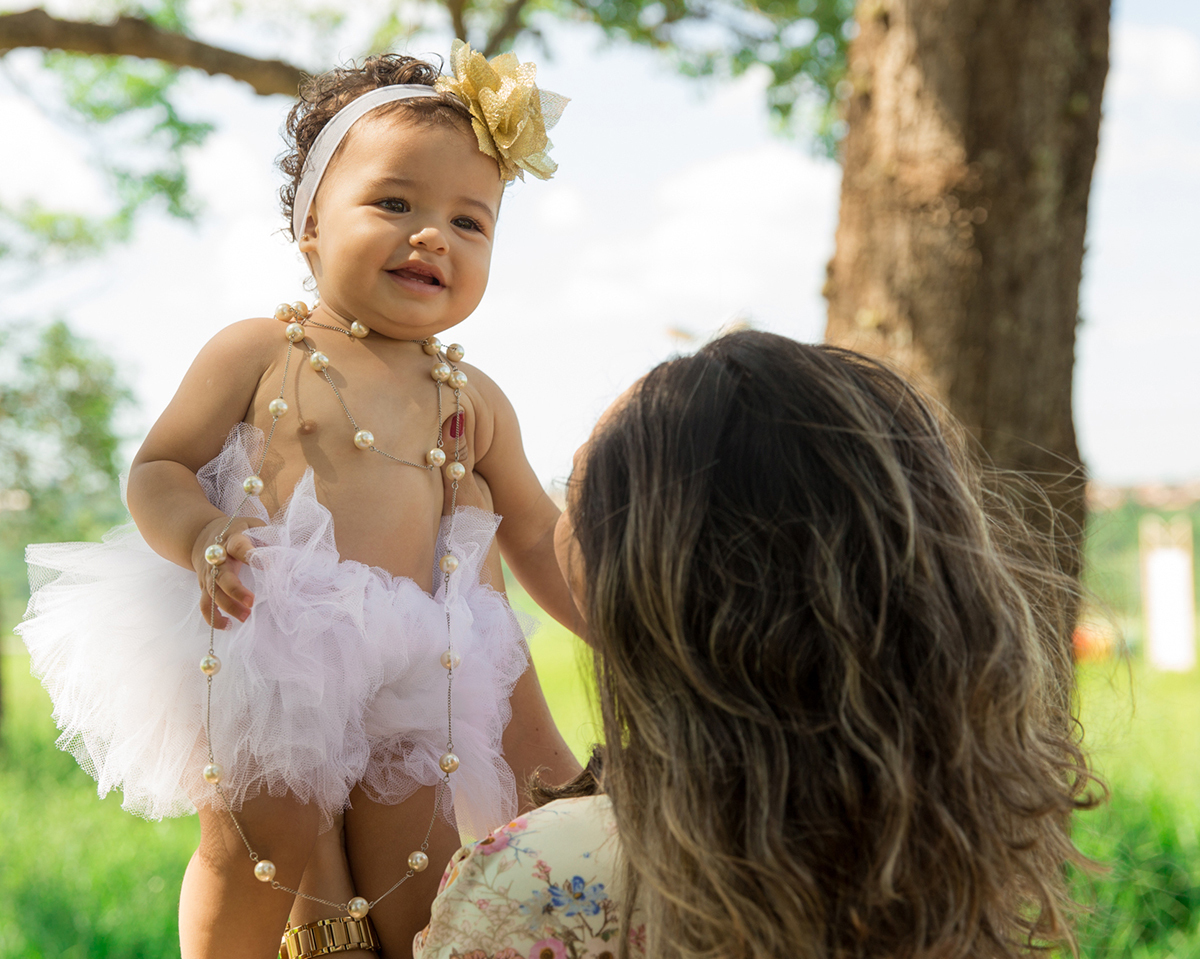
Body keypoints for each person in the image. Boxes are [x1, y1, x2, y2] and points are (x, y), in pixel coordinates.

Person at [18, 43, 580, 959]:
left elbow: (534, 531)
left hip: (423, 667)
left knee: (423, 865)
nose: (432, 235)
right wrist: (202, 532)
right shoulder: (259, 350)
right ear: (311, 223)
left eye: (469, 222)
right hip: (278, 637)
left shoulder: (471, 396)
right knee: (256, 851)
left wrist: (623, 619)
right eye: (394, 203)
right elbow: (158, 464)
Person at [413, 331, 1101, 959]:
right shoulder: (932, 853)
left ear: (652, 586)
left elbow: (568, 853)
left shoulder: (542, 876)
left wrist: (323, 896)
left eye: (581, 488)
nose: (562, 520)